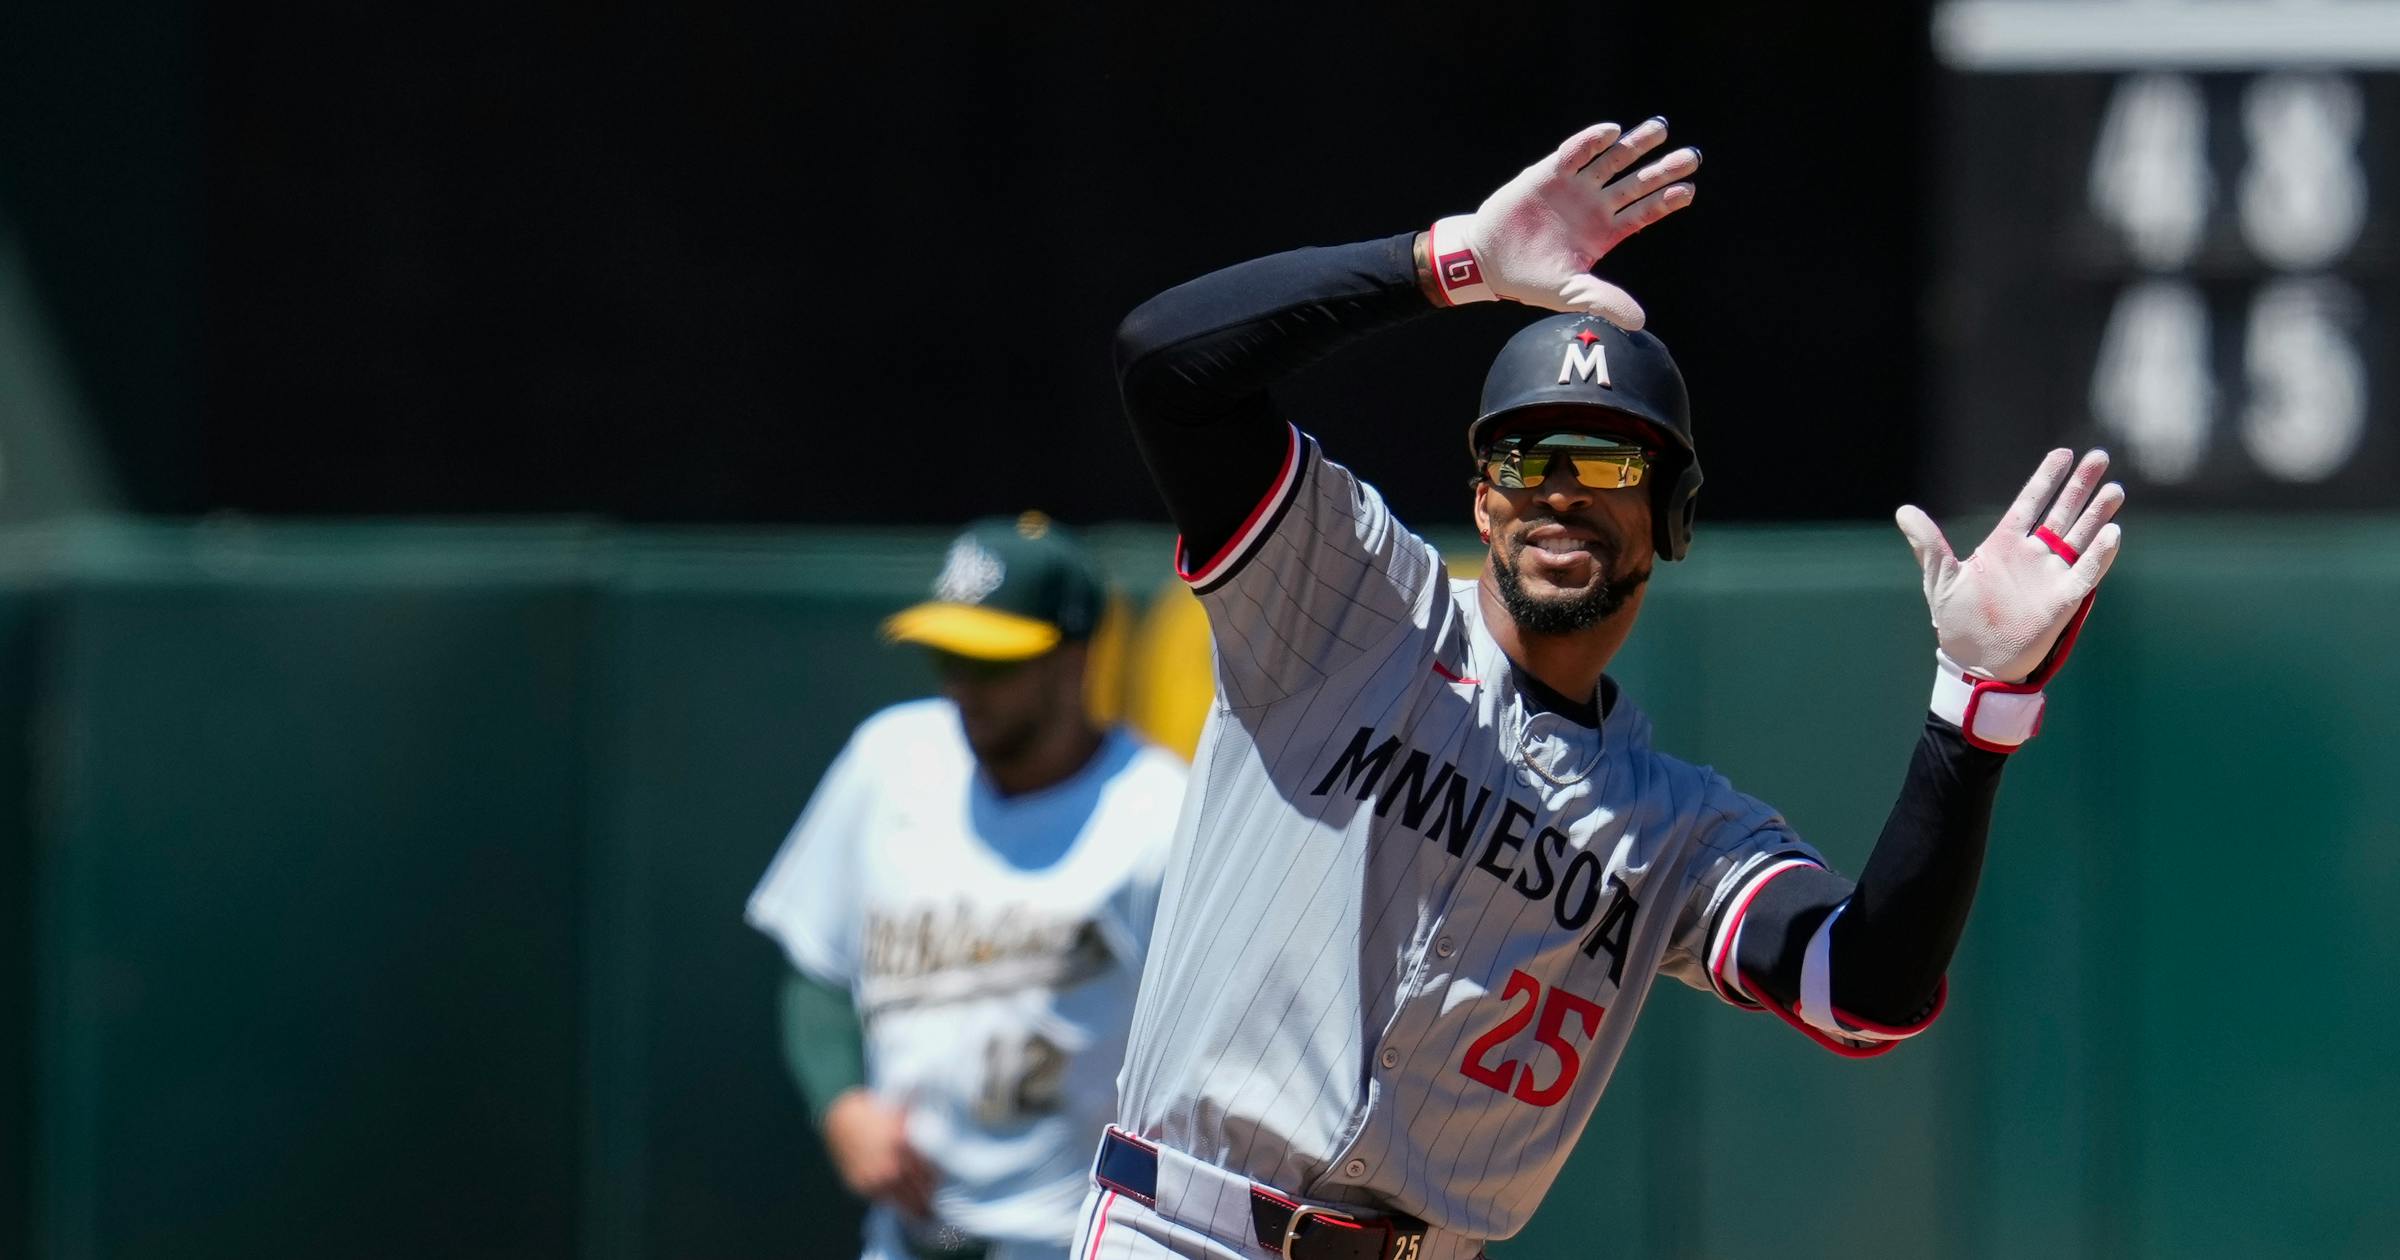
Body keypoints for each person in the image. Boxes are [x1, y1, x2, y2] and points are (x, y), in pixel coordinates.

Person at [1074, 119, 2127, 1260]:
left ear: (1670, 518)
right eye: (1530, 459)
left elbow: (1863, 989)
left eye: (1613, 461)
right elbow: (1165, 367)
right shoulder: (1348, 595)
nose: (1564, 492)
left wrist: (1975, 705)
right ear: (1484, 501)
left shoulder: (1676, 830)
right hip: (1184, 1229)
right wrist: (1451, 261)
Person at [747, 513, 1189, 1260]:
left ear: (1072, 659)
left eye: (993, 663)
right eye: (949, 655)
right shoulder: (891, 759)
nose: (963, 684)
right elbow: (816, 964)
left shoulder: (1160, 814)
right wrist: (841, 1105)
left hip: (1075, 1240)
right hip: (917, 1237)